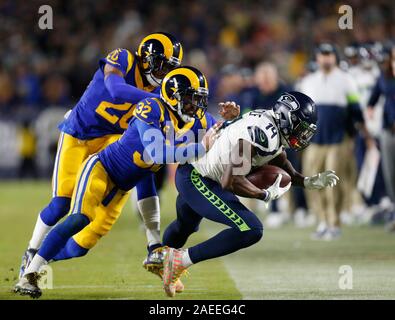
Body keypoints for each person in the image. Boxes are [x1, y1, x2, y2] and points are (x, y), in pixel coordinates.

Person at [15, 66, 238, 299]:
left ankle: (40, 258)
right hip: (102, 169)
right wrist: (200, 148)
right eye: (192, 99)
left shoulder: (198, 121)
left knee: (81, 246)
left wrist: (230, 121)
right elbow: (158, 153)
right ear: (174, 96)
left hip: (124, 186)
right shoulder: (151, 108)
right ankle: (30, 273)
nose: (197, 106)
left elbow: (222, 140)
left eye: (200, 99)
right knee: (79, 218)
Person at [17, 32, 184, 280]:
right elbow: (116, 90)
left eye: (169, 68)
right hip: (80, 135)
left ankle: (151, 241)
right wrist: (160, 99)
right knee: (62, 202)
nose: (163, 73)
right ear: (146, 58)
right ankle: (31, 251)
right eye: (160, 64)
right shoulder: (125, 58)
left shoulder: (158, 91)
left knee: (143, 161)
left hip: (112, 139)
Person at [158, 92, 339, 297]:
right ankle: (180, 260)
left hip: (198, 172)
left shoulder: (270, 124)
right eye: (301, 128)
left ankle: (159, 259)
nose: (303, 135)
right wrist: (264, 195)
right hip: (199, 178)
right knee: (251, 228)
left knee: (185, 226)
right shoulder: (263, 134)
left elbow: (281, 162)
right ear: (287, 119)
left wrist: (305, 181)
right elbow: (230, 180)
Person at [299, 43, 373, 240]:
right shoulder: (309, 82)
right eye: (322, 55)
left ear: (335, 57)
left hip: (339, 139)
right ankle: (322, 221)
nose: (326, 59)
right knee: (313, 181)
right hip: (315, 140)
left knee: (333, 182)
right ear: (317, 59)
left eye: (329, 55)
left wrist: (358, 136)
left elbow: (356, 110)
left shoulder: (346, 80)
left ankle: (334, 223)